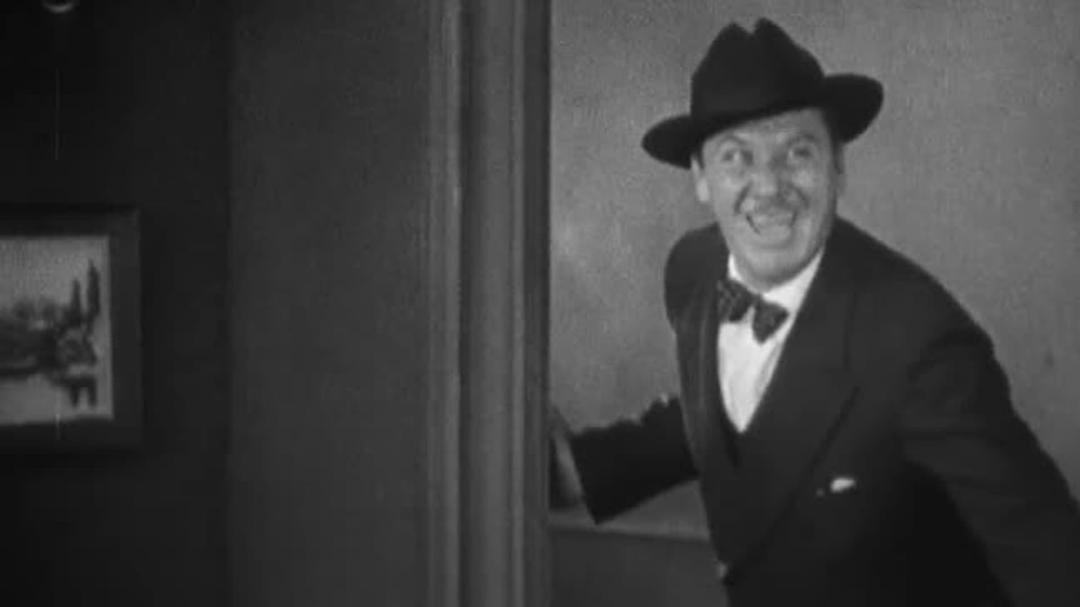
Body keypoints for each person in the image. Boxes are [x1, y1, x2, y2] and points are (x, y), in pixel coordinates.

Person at [549, 17, 1080, 606]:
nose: (768, 186)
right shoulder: (693, 272)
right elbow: (729, 409)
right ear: (700, 178)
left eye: (797, 152)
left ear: (837, 166)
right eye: (736, 158)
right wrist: (575, 469)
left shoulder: (918, 339)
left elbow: (1048, 552)